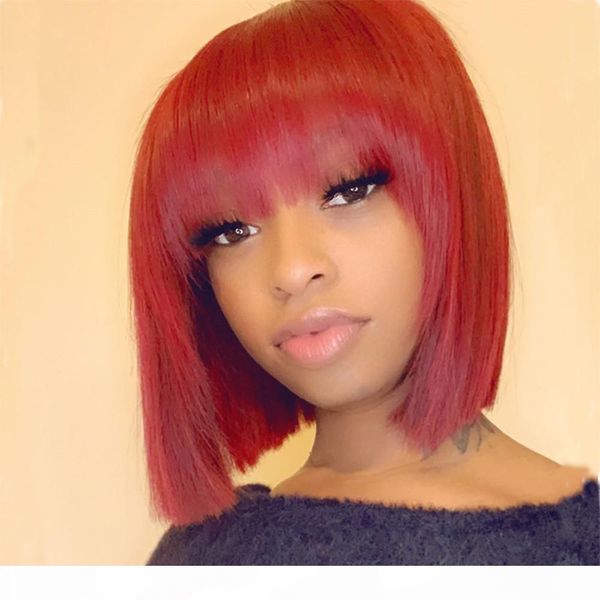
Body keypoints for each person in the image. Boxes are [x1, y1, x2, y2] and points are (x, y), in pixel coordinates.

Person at [128, 0, 599, 565]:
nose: (291, 270)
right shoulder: (200, 558)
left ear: (452, 191)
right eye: (232, 231)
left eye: (349, 191)